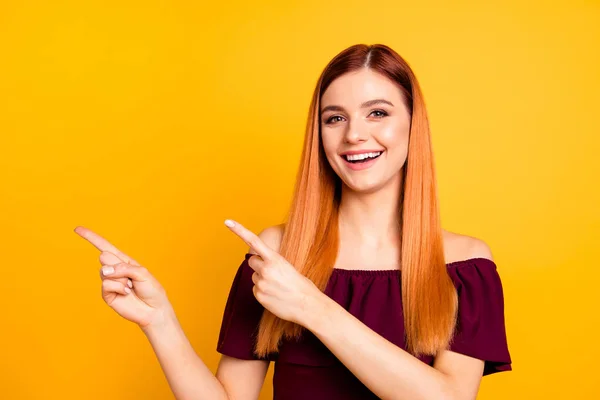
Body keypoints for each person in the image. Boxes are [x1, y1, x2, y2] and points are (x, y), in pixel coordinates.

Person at [75, 43, 512, 400]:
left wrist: (311, 306)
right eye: (334, 118)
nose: (354, 134)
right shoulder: (277, 254)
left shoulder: (465, 264)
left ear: (413, 125)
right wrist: (159, 321)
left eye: (377, 112)